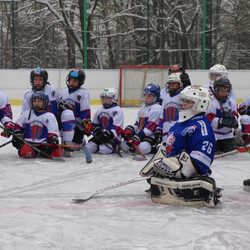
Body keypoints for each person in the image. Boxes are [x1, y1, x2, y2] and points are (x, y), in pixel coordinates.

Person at [140, 86, 221, 207]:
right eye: (183, 101)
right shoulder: (181, 121)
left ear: (200, 104)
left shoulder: (201, 126)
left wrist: (179, 168)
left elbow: (201, 160)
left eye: (188, 102)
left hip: (186, 173)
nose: (183, 104)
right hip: (173, 168)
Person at [21, 68, 75, 157]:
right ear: (32, 80)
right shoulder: (27, 95)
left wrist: (62, 105)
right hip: (38, 125)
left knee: (68, 113)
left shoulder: (53, 90)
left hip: (54, 124)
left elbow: (60, 102)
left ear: (45, 80)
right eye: (35, 79)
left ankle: (67, 144)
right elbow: (25, 116)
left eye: (40, 79)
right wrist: (21, 133)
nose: (38, 82)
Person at [12, 92, 63, 159]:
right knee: (25, 152)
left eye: (39, 101)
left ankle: (41, 153)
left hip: (44, 144)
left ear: (45, 103)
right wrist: (18, 133)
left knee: (57, 153)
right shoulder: (27, 114)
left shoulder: (50, 116)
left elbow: (53, 131)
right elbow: (18, 126)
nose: (36, 103)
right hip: (29, 144)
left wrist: (53, 138)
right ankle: (34, 152)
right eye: (34, 101)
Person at [121, 83, 162, 155]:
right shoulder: (142, 108)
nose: (146, 97)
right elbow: (137, 124)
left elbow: (150, 128)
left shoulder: (157, 109)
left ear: (156, 97)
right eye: (145, 95)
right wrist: (130, 130)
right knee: (124, 145)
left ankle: (154, 149)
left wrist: (138, 136)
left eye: (149, 96)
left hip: (151, 135)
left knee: (143, 148)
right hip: (141, 134)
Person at [60, 69, 92, 155]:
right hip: (67, 123)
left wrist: (86, 122)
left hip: (77, 124)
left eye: (75, 81)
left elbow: (85, 109)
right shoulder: (64, 92)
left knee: (75, 148)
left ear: (80, 82)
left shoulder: (83, 93)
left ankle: (80, 141)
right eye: (71, 80)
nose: (72, 83)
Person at [86, 88, 124, 154]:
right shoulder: (99, 110)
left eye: (108, 98)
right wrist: (96, 129)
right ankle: (98, 146)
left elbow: (117, 128)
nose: (105, 100)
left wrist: (109, 134)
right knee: (88, 148)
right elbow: (95, 124)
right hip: (100, 136)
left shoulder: (117, 111)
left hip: (113, 138)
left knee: (104, 150)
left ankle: (112, 147)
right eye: (104, 98)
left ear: (114, 99)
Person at [206, 78, 238, 153]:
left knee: (231, 157)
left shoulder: (231, 102)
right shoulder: (212, 102)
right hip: (214, 136)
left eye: (227, 91)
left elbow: (236, 114)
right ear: (216, 90)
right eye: (222, 91)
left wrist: (234, 121)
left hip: (228, 136)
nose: (225, 93)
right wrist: (221, 121)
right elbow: (209, 118)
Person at [155, 72, 185, 144]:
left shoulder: (183, 97)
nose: (172, 87)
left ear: (180, 85)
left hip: (178, 130)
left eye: (175, 84)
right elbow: (162, 115)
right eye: (171, 84)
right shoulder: (166, 99)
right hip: (166, 131)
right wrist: (159, 129)